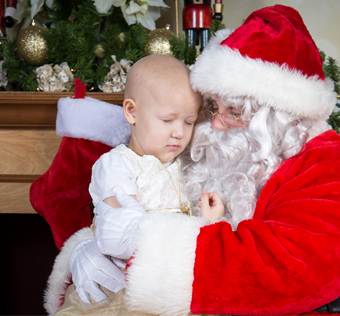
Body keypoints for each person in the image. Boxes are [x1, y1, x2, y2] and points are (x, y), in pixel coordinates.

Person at [44, 5, 340, 316]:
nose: (217, 124)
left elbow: (288, 271)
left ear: (279, 116)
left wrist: (140, 254)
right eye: (213, 107)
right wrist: (88, 247)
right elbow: (127, 198)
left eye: (236, 111)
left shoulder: (339, 166)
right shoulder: (224, 155)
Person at [49, 54, 223, 314]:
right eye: (167, 120)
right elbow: (120, 239)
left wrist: (211, 222)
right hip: (120, 292)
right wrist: (199, 228)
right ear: (132, 111)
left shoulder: (183, 167)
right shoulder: (117, 166)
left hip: (169, 290)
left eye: (188, 122)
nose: (179, 132)